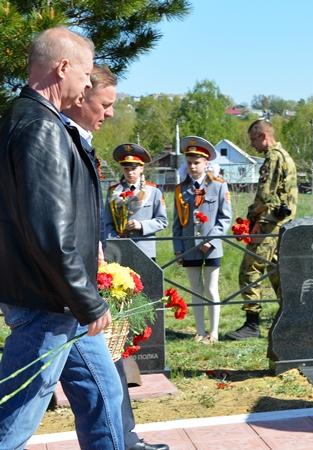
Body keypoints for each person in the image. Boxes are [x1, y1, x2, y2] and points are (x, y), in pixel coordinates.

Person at [0, 27, 125, 449]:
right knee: (14, 418)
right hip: (47, 302)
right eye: (86, 74)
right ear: (63, 67)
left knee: (103, 395)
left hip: (55, 299)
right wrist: (86, 298)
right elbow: (50, 231)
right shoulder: (41, 126)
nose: (89, 84)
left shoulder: (33, 119)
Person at [62, 66, 168, 450]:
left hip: (93, 274)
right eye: (105, 104)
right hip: (63, 290)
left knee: (108, 376)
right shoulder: (57, 136)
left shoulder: (80, 140)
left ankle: (126, 438)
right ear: (81, 94)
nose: (109, 113)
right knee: (29, 397)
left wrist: (98, 252)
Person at [227, 120, 298, 340]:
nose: (252, 145)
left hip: (269, 223)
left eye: (253, 140)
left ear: (263, 137)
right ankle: (291, 318)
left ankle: (252, 323)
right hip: (281, 224)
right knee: (277, 272)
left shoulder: (274, 156)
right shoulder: (284, 155)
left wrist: (252, 214)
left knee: (250, 269)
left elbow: (266, 194)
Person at [173, 136, 232, 344]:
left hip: (212, 247)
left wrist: (212, 240)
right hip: (190, 247)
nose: (192, 166)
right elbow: (177, 223)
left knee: (211, 288)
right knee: (195, 289)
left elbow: (225, 218)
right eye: (189, 162)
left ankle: (214, 332)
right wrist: (178, 249)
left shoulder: (218, 186)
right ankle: (199, 331)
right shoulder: (181, 189)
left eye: (197, 162)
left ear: (206, 163)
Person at [104, 143, 168, 259]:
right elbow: (107, 222)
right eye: (126, 168)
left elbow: (162, 221)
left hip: (145, 250)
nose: (130, 172)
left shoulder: (153, 191)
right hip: (120, 251)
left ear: (141, 168)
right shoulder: (113, 192)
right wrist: (115, 240)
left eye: (134, 168)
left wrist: (141, 225)